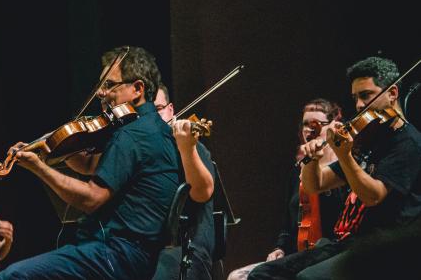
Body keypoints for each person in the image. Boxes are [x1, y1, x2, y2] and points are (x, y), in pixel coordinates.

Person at [0, 46, 181, 280]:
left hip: (116, 256)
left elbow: (92, 198)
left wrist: (39, 168)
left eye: (109, 85)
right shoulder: (156, 130)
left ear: (137, 89)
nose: (101, 93)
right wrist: (62, 148)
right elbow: (92, 166)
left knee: (12, 276)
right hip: (140, 257)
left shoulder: (131, 135)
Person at [248, 56, 421, 279]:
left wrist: (344, 155)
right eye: (355, 97)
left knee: (308, 278)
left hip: (383, 249)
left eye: (366, 95)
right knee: (263, 274)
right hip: (348, 243)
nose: (359, 105)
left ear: (393, 93)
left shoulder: (408, 143)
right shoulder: (371, 141)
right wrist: (312, 159)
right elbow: (315, 185)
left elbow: (373, 195)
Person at [226, 99, 345, 280]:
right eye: (305, 124)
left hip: (329, 253)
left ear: (332, 127)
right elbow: (287, 224)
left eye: (316, 124)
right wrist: (279, 248)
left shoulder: (341, 169)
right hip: (298, 254)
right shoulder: (297, 171)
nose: (309, 129)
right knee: (236, 277)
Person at [151, 85, 216, 280]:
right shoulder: (141, 154)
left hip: (188, 248)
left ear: (171, 110)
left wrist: (187, 148)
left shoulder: (193, 148)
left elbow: (202, 192)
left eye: (158, 109)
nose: (152, 118)